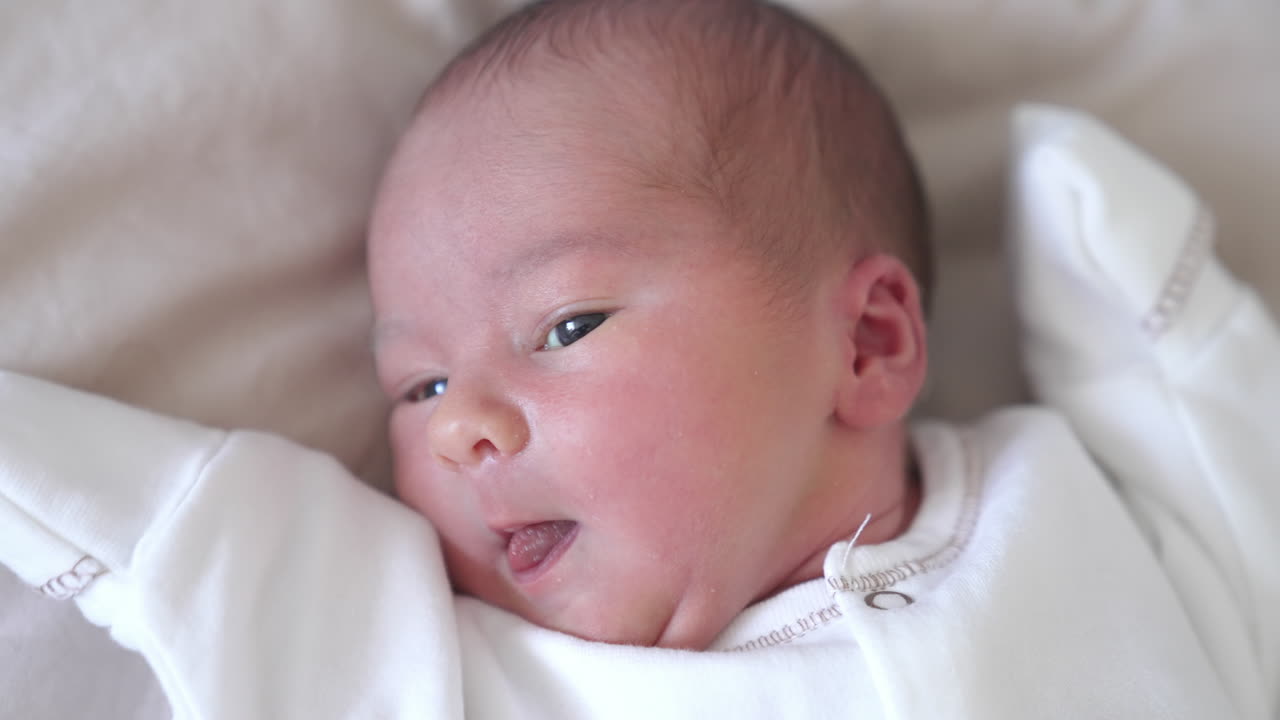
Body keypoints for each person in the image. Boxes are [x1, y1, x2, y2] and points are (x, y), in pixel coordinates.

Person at [1, 1, 1277, 717]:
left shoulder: (1064, 500)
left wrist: (1148, 313)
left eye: (565, 326)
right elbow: (198, 542)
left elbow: (1234, 492)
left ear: (868, 341)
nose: (458, 430)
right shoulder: (451, 671)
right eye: (417, 385)